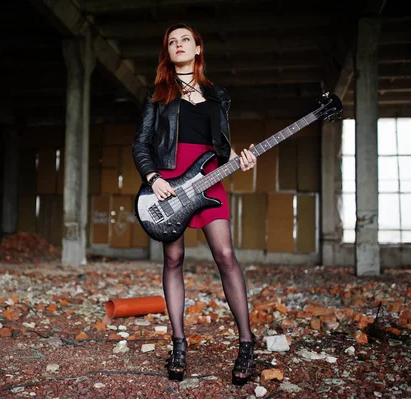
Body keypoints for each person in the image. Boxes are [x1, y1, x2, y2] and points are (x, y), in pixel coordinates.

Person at [132, 23, 258, 385]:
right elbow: (140, 144)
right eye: (172, 42)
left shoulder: (219, 95)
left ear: (198, 48)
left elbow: (222, 145)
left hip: (210, 179)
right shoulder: (157, 94)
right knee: (173, 258)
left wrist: (241, 158)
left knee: (226, 256)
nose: (179, 44)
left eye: (185, 39)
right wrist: (153, 179)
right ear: (168, 53)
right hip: (169, 183)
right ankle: (178, 344)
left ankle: (247, 344)